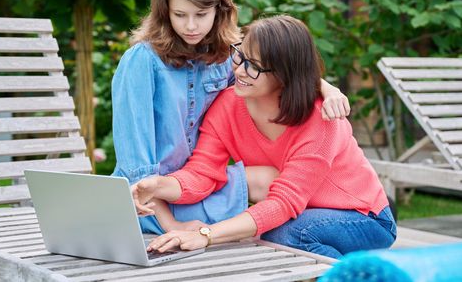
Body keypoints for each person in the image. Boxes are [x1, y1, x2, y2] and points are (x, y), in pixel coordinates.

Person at [112, 0, 350, 235]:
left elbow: (280, 69)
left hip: (199, 185)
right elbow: (136, 169)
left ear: (220, 10)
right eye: (180, 15)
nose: (191, 26)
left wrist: (326, 88)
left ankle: (323, 232)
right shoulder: (142, 61)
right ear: (165, 12)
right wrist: (172, 226)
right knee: (259, 208)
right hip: (147, 199)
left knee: (270, 180)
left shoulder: (227, 57)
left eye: (201, 15)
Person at [132, 15, 397, 259]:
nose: (240, 71)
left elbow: (284, 202)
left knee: (286, 234)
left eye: (254, 66)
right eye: (240, 56)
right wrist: (158, 186)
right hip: (305, 213)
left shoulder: (320, 118)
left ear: (284, 75)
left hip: (364, 217)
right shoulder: (228, 105)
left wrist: (206, 235)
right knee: (279, 233)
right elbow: (203, 173)